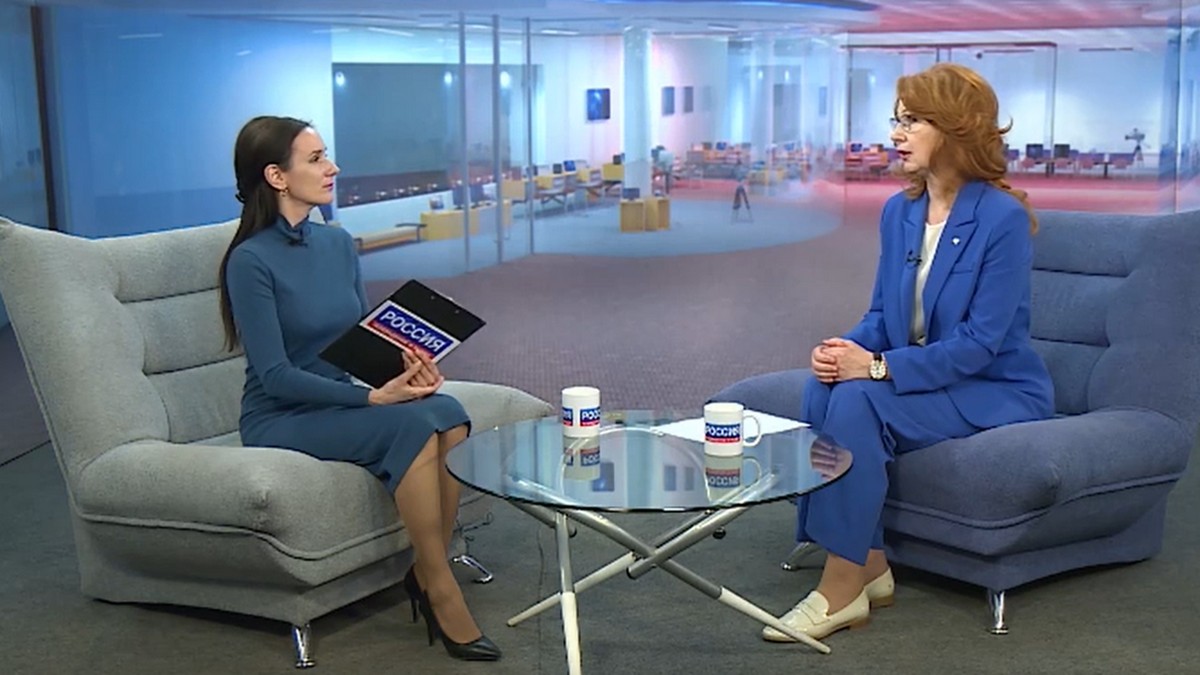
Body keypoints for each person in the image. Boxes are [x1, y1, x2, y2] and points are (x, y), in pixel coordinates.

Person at [761, 63, 1054, 642]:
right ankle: (871, 563)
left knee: (860, 401)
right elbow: (881, 316)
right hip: (930, 376)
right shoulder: (900, 211)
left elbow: (980, 344)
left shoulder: (1002, 219)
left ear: (956, 127)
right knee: (822, 387)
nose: (896, 133)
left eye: (913, 121)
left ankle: (841, 587)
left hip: (992, 388)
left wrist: (875, 368)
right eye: (896, 120)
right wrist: (844, 349)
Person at [217, 116, 501, 662]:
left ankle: (426, 571)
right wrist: (373, 398)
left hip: (339, 397)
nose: (334, 167)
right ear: (276, 176)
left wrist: (409, 372)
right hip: (281, 416)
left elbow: (360, 342)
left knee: (447, 411)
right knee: (414, 424)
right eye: (316, 158)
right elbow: (275, 375)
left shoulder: (338, 242)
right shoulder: (249, 261)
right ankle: (440, 586)